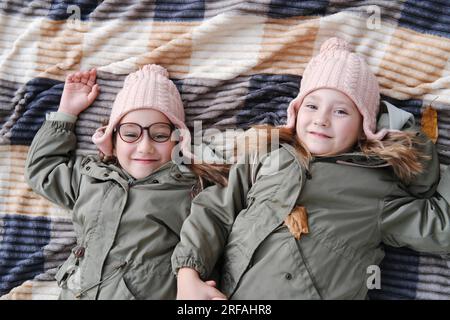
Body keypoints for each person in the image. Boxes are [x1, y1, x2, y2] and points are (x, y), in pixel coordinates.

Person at [171, 38, 450, 299]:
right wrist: (188, 273)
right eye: (312, 106)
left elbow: (441, 227)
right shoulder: (268, 157)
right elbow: (214, 211)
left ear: (365, 126)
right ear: (296, 112)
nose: (321, 120)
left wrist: (412, 142)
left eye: (341, 111)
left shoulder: (377, 188)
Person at [25, 64, 226, 299]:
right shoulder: (91, 178)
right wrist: (66, 113)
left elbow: (218, 222)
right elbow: (43, 170)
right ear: (112, 139)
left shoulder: (190, 187)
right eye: (130, 134)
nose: (145, 146)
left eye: (160, 135)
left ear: (178, 141)